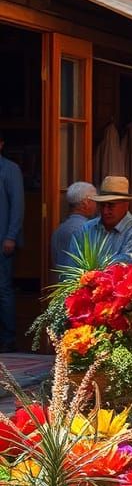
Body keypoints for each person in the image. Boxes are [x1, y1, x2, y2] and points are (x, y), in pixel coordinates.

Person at [76, 176, 132, 263]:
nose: (105, 211)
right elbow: (71, 266)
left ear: (126, 204)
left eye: (111, 205)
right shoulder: (87, 228)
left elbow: (125, 263)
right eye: (102, 205)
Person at [0, 132, 24, 352]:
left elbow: (17, 205)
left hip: (2, 239)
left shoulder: (9, 169)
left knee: (3, 288)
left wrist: (11, 236)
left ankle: (8, 339)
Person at [51, 181, 97, 272]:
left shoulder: (58, 230)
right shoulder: (87, 230)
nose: (97, 205)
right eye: (94, 201)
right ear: (85, 203)